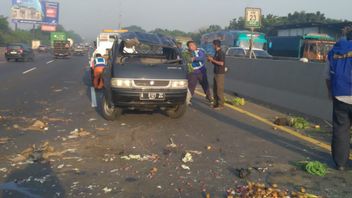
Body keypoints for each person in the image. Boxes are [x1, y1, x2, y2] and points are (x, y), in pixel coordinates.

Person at [326, 28, 352, 171]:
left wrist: (331, 92)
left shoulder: (334, 51)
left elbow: (327, 75)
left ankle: (340, 163)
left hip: (340, 95)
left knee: (341, 130)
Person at [208, 40, 226, 110]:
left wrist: (212, 60)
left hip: (220, 73)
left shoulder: (221, 53)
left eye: (213, 45)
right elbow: (215, 62)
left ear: (215, 45)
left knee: (219, 89)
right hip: (216, 72)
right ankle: (216, 104)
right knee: (215, 89)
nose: (212, 46)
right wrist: (210, 59)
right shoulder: (216, 52)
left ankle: (221, 105)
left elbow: (221, 63)